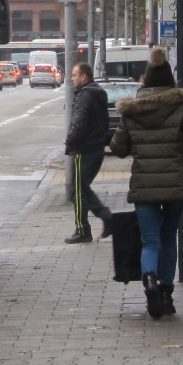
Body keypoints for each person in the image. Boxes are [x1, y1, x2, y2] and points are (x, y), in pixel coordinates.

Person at [110, 46, 183, 319]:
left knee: (150, 240)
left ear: (145, 79)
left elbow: (118, 148)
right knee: (168, 237)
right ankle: (166, 293)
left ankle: (149, 279)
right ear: (170, 80)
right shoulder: (181, 107)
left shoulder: (132, 111)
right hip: (176, 185)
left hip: (145, 187)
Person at [64, 62, 114, 244]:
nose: (72, 78)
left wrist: (70, 143)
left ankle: (84, 228)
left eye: (75, 75)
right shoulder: (96, 93)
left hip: (84, 150)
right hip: (96, 148)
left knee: (77, 191)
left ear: (84, 77)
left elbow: (79, 123)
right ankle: (96, 221)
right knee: (81, 189)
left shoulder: (85, 96)